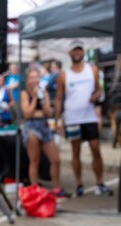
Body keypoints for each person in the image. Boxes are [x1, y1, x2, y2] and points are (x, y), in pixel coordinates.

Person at [55, 39, 113, 197]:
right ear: (70, 53)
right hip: (72, 118)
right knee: (75, 151)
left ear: (83, 51)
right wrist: (57, 119)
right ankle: (79, 183)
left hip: (89, 117)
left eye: (79, 49)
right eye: (74, 50)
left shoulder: (92, 69)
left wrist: (95, 96)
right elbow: (59, 98)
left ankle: (100, 183)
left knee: (95, 149)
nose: (77, 52)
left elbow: (99, 90)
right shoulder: (64, 75)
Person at [20, 68, 65, 197]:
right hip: (31, 127)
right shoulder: (24, 93)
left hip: (44, 126)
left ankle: (56, 188)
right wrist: (34, 98)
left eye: (36, 77)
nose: (34, 80)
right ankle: (35, 190)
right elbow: (27, 113)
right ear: (28, 80)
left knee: (55, 159)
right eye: (32, 77)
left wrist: (42, 98)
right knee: (35, 161)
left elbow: (47, 112)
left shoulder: (43, 91)